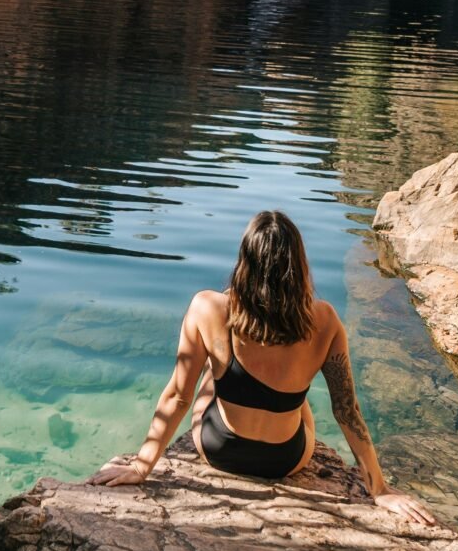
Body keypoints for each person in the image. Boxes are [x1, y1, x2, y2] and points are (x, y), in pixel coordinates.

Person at [87, 209, 437, 526]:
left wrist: (141, 465)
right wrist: (380, 489)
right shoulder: (325, 320)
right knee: (298, 400)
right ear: (299, 265)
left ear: (245, 262)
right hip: (285, 461)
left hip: (219, 451)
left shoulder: (207, 308)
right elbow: (347, 412)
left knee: (212, 370)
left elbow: (178, 396)